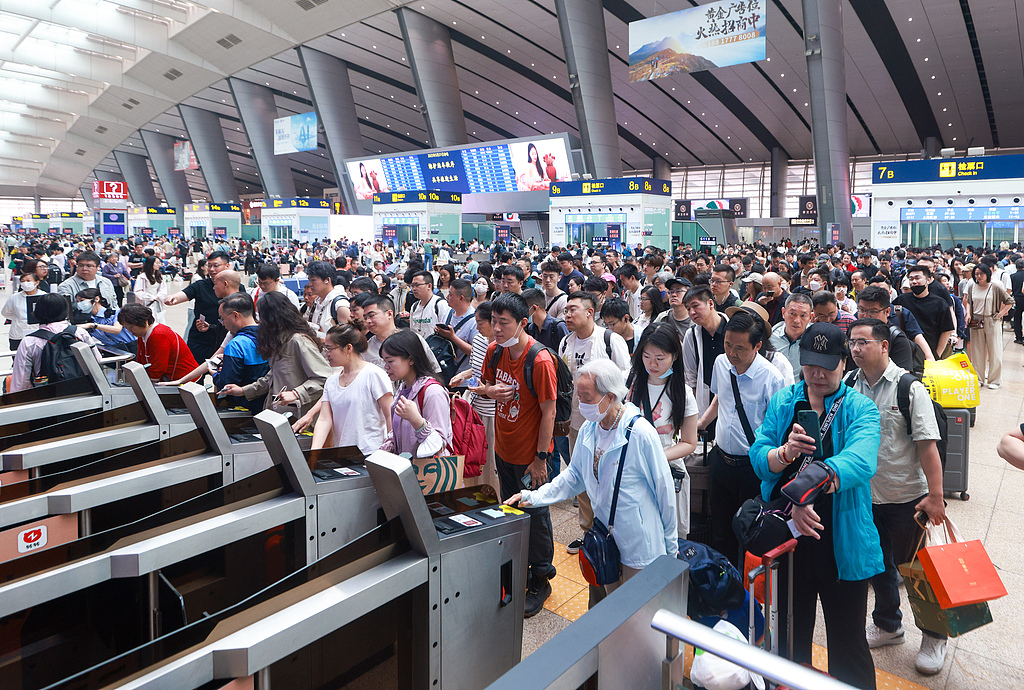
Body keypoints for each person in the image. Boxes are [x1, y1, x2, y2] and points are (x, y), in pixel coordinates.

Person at [749, 322, 883, 689]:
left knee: (848, 641)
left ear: (843, 363)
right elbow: (759, 457)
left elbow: (860, 460)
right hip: (790, 541)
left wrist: (805, 491)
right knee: (790, 636)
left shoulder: (860, 409)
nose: (817, 373)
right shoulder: (785, 400)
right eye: (810, 363)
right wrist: (785, 452)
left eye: (827, 364)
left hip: (842, 539)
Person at [504, 358, 678, 598]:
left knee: (640, 616)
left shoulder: (639, 433)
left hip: (640, 544)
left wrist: (671, 549)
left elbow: (664, 491)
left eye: (587, 397)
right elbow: (574, 476)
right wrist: (533, 497)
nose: (580, 404)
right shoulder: (590, 429)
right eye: (579, 396)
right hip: (606, 540)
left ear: (610, 397)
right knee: (614, 612)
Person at [845, 318, 948, 675]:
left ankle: (935, 635)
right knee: (879, 567)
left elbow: (927, 446)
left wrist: (936, 497)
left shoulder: (908, 388)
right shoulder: (849, 384)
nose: (856, 349)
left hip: (907, 498)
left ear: (884, 345)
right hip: (864, 496)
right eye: (852, 343)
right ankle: (889, 624)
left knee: (917, 571)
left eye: (863, 342)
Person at [477, 292, 558, 617]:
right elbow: (482, 385)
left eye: (503, 323)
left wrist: (540, 458)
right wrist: (488, 391)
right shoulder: (495, 351)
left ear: (523, 322)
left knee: (536, 515)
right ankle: (519, 567)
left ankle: (541, 577)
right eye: (494, 321)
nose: (496, 329)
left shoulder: (538, 360)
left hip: (530, 457)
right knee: (511, 509)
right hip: (504, 449)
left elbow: (549, 412)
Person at [558, 291, 632, 555]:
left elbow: (625, 380)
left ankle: (613, 532)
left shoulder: (610, 340)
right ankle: (588, 533)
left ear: (590, 312)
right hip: (580, 422)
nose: (566, 315)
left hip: (609, 423)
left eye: (572, 310)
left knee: (610, 476)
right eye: (565, 310)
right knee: (583, 476)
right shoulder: (566, 342)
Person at [628, 322, 698, 537]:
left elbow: (689, 442)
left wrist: (656, 456)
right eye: (647, 356)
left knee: (669, 536)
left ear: (674, 356)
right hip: (633, 468)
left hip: (666, 470)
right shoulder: (629, 382)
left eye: (660, 358)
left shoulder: (682, 393)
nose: (652, 364)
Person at [219, 292, 332, 418]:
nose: (259, 322)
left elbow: (324, 378)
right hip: (280, 415)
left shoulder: (298, 341)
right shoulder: (279, 342)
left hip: (298, 417)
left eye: (262, 317)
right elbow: (272, 377)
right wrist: (243, 391)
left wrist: (296, 393)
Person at [309, 324, 393, 456]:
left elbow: (390, 414)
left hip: (372, 453)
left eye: (330, 349)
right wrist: (314, 453)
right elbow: (324, 419)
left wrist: (391, 449)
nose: (326, 354)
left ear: (348, 348)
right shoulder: (332, 380)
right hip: (343, 454)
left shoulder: (373, 374)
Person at [450, 301, 499, 493]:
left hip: (494, 411)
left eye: (481, 323)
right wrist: (463, 375)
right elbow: (477, 369)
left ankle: (495, 496)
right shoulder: (478, 340)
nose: (477, 327)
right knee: (474, 453)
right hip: (476, 406)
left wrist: (486, 390)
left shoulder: (502, 345)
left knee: (492, 460)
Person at [379, 328, 453, 456]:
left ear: (411, 359)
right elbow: (397, 433)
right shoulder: (402, 390)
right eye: (384, 361)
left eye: (390, 361)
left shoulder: (433, 392)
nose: (386, 366)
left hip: (429, 472)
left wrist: (418, 421)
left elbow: (440, 444)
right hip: (407, 471)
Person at [9, 292, 101, 393]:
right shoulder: (80, 333)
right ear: (66, 311)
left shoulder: (29, 342)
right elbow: (97, 360)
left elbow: (21, 381)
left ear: (36, 313)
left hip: (46, 396)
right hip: (81, 392)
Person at [164, 250, 231, 363]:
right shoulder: (201, 285)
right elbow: (185, 293)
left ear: (227, 266)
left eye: (216, 266)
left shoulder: (238, 288)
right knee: (195, 373)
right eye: (209, 266)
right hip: (201, 338)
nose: (211, 269)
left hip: (224, 338)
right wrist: (173, 298)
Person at [681, 286, 728, 431]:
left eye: (695, 306)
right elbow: (690, 375)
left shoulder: (731, 328)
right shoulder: (692, 335)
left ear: (711, 304)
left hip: (731, 397)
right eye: (688, 309)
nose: (692, 313)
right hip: (705, 399)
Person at [212, 292, 268, 413]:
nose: (223, 324)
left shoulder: (236, 345)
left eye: (222, 319)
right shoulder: (271, 335)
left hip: (246, 407)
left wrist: (215, 375)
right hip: (269, 403)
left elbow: (227, 384)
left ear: (235, 315)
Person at [118, 303, 198, 383]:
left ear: (145, 322)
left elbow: (159, 366)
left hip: (185, 379)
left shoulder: (159, 335)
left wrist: (150, 383)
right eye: (126, 327)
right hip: (170, 378)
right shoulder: (142, 334)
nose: (129, 330)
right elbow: (141, 358)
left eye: (131, 327)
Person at [964, 263, 1014, 389]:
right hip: (976, 321)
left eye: (981, 273)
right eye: (976, 274)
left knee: (995, 350)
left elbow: (1010, 301)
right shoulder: (972, 286)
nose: (979, 276)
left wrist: (1000, 314)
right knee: (977, 351)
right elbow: (969, 301)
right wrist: (968, 314)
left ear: (988, 274)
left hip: (992, 320)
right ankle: (979, 378)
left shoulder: (995, 286)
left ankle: (995, 380)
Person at [894, 265, 955, 360]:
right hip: (907, 352)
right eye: (911, 279)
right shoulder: (902, 300)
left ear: (929, 280)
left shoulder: (940, 303)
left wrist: (936, 355)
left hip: (932, 349)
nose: (914, 282)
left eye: (917, 278)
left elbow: (946, 331)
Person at [432, 279, 477, 378]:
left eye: (451, 295)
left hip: (462, 378)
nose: (447, 297)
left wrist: (452, 337)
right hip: (444, 373)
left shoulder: (475, 321)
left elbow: (475, 352)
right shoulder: (448, 313)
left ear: (461, 298)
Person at [74, 288, 137, 354]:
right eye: (77, 302)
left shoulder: (115, 313)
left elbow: (117, 329)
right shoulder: (88, 320)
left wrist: (93, 325)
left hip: (131, 347)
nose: (80, 304)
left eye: (82, 300)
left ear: (96, 299)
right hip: (112, 350)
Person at [770, 293, 813, 382]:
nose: (797, 320)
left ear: (810, 317)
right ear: (783, 312)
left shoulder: (815, 339)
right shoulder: (771, 336)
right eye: (792, 314)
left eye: (803, 316)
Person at [2, 270, 47, 351]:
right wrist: (18, 318)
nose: (25, 283)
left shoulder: (44, 296)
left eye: (28, 281)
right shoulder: (14, 297)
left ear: (36, 282)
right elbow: (6, 312)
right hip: (18, 333)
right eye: (23, 281)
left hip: (39, 333)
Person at [306, 260, 350, 335]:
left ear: (327, 280)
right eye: (309, 280)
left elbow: (347, 337)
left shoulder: (340, 305)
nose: (310, 284)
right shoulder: (317, 301)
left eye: (313, 280)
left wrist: (324, 339)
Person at [409, 270, 452, 339]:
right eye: (412, 286)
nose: (414, 289)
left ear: (429, 286)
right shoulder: (414, 307)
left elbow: (446, 331)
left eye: (417, 285)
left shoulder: (440, 304)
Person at [133, 256, 167, 324]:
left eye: (159, 263)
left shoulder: (159, 276)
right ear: (150, 264)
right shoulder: (142, 277)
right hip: (146, 303)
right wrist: (150, 297)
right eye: (156, 263)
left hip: (157, 302)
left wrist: (158, 296)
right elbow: (138, 291)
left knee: (160, 322)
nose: (159, 265)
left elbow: (163, 289)